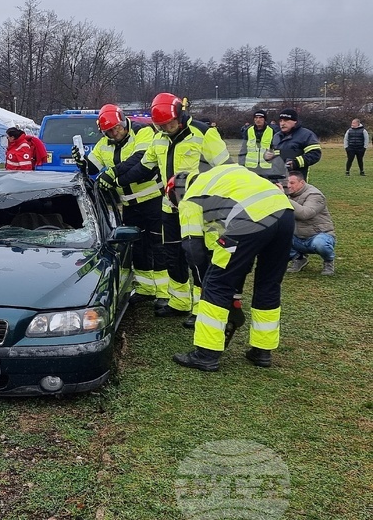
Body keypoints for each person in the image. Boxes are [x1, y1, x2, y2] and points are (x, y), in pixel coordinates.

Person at [113, 93, 230, 326]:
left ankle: (202, 307)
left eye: (170, 124)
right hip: (170, 207)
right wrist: (115, 179)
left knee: (198, 257)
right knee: (172, 255)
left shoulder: (204, 134)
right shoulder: (160, 138)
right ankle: (179, 302)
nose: (167, 128)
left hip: (200, 209)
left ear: (180, 115)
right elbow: (144, 167)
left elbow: (225, 169)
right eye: (162, 126)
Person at [168, 165, 294, 372]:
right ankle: (262, 350)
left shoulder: (190, 197)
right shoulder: (220, 178)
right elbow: (234, 248)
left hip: (250, 217)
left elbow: (193, 248)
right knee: (269, 283)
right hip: (284, 211)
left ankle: (206, 354)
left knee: (216, 282)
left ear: (176, 192)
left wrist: (204, 281)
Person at [74, 104, 166, 303]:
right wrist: (82, 162)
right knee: (137, 246)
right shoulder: (103, 143)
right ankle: (145, 288)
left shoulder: (142, 132)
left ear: (124, 122)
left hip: (154, 200)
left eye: (117, 128)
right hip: (129, 204)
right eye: (109, 131)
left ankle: (165, 293)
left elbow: (141, 159)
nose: (114, 133)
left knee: (158, 245)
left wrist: (113, 174)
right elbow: (92, 167)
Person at [284, 171, 336, 275]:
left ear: (302, 183)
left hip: (318, 235)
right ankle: (298, 259)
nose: (288, 186)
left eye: (292, 183)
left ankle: (328, 261)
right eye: (286, 183)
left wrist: (284, 198)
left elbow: (305, 214)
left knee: (320, 244)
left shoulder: (315, 195)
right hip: (297, 237)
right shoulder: (288, 194)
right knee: (274, 235)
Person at [267, 108, 321, 180]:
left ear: (295, 121)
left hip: (296, 180)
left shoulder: (306, 135)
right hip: (277, 180)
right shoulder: (276, 136)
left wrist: (295, 163)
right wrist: (267, 156)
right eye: (280, 121)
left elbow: (315, 154)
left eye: (286, 120)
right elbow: (272, 152)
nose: (282, 123)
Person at [238, 110, 276, 176]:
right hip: (251, 167)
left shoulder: (272, 131)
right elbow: (243, 149)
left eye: (260, 118)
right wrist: (241, 164)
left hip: (267, 167)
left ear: (265, 119)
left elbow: (276, 149)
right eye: (256, 118)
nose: (258, 120)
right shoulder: (248, 130)